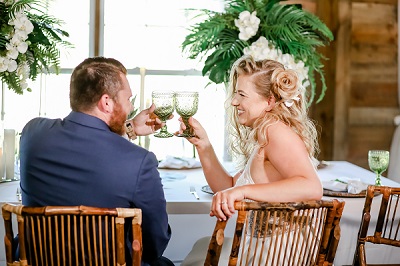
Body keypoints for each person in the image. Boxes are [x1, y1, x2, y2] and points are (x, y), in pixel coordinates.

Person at [19, 56, 172, 266]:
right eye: (128, 99)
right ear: (106, 102)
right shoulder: (140, 161)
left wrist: (129, 128)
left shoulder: (32, 133)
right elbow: (155, 243)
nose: (130, 107)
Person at [180, 55, 323, 265]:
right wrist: (204, 146)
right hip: (262, 244)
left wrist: (243, 191)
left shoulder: (276, 132)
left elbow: (312, 187)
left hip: (279, 252)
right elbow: (227, 186)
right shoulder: (265, 132)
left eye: (241, 95)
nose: (234, 101)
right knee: (200, 246)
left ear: (269, 101)